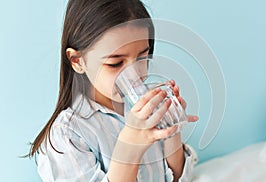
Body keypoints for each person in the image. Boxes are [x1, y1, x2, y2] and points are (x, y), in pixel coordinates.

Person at [28, 0, 198, 181]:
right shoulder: (67, 136)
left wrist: (172, 128)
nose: (134, 75)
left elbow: (179, 177)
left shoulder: (145, 108)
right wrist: (129, 148)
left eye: (142, 57)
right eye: (115, 63)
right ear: (77, 61)